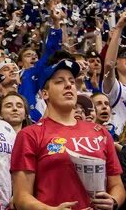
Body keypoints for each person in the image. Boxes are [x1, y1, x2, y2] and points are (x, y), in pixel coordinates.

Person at [11, 58, 125, 209]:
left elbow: (117, 185)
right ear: (45, 94)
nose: (69, 85)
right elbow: (21, 197)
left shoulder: (100, 132)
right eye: (59, 81)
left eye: (71, 81)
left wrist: (113, 200)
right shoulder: (29, 134)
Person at [103, 12, 126, 137]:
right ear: (116, 63)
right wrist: (119, 27)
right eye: (124, 56)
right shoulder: (116, 89)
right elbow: (108, 65)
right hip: (121, 148)